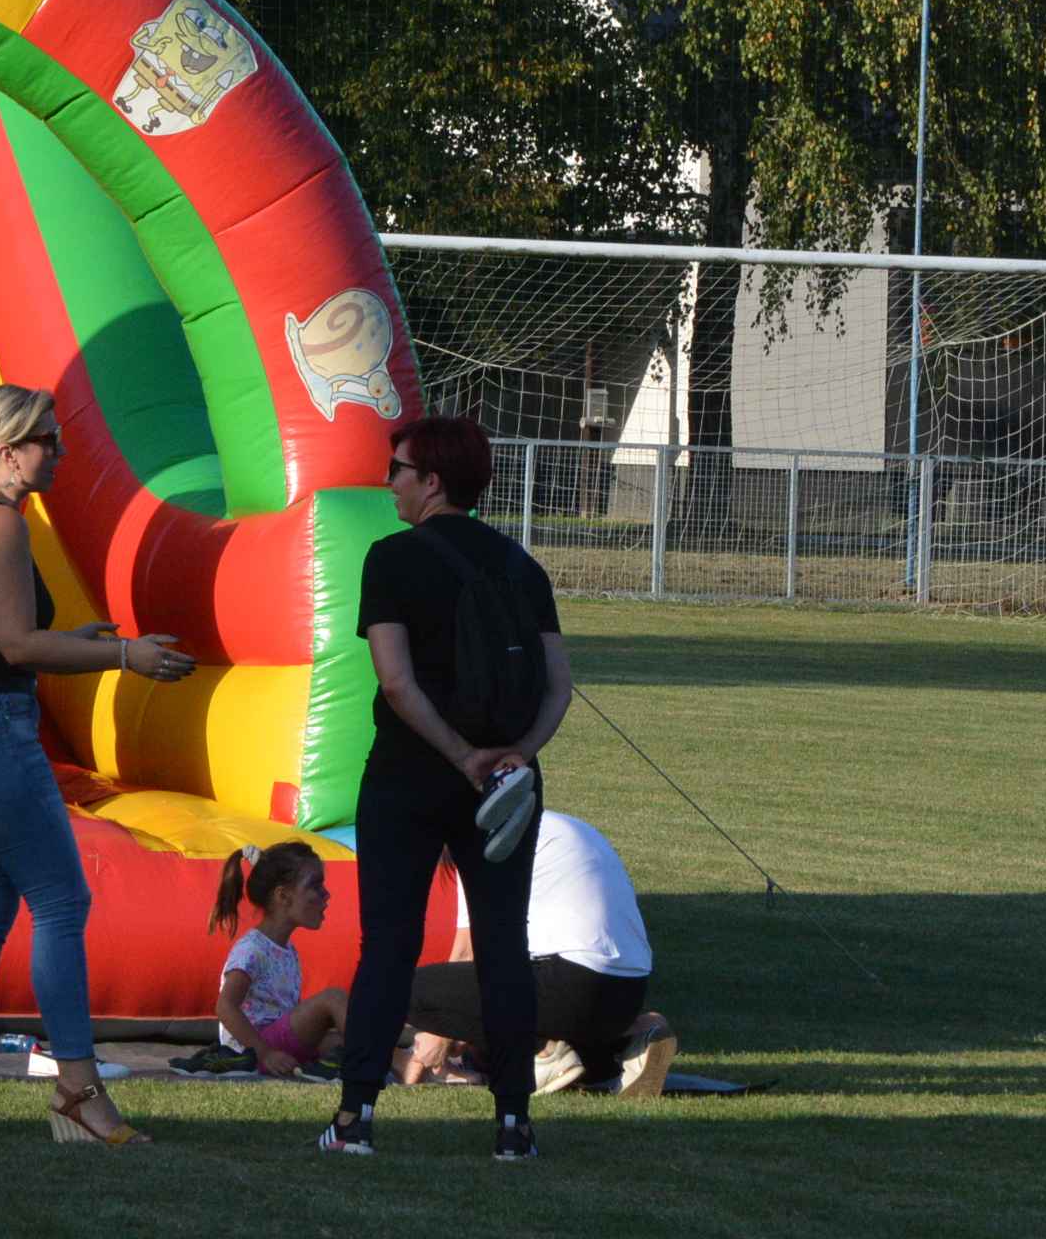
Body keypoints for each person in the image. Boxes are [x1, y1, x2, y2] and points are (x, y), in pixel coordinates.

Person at [0, 384, 194, 1147]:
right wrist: (124, 655)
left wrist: (80, 637)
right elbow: (16, 647)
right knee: (61, 905)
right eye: (48, 443)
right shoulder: (0, 522)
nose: (60, 455)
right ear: (9, 452)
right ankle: (75, 1089)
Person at [322, 414, 572, 1162]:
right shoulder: (521, 565)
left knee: (389, 946)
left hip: (410, 775)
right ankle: (512, 1126)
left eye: (397, 468)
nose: (388, 480)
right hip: (507, 786)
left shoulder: (392, 558)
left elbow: (396, 684)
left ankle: (356, 1117)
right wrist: (512, 757)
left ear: (431, 480)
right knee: (503, 945)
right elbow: (558, 688)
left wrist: (461, 754)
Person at [401, 813, 678, 1099]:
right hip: (625, 994)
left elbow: (467, 953)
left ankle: (546, 1052)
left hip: (571, 984)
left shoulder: (481, 840)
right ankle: (635, 1037)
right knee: (493, 1038)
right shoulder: (557, 826)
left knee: (407, 991)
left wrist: (438, 1028)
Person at [172, 842, 347, 1079]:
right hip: (254, 1048)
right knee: (333, 999)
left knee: (342, 1039)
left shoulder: (287, 949)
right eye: (316, 885)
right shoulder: (253, 949)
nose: (326, 894)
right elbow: (225, 1006)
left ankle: (374, 1061)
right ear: (283, 896)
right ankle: (370, 1064)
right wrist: (264, 1053)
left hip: (276, 1041)